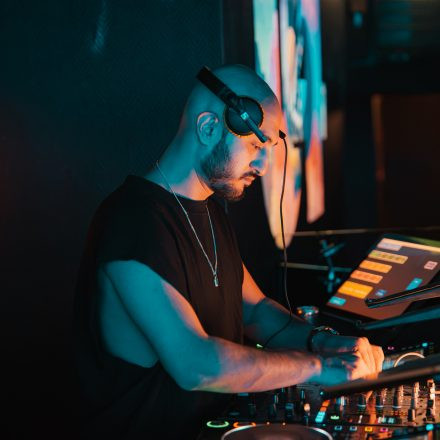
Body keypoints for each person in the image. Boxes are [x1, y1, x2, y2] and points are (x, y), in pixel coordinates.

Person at [74, 64, 384, 439]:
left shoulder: (210, 212)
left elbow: (255, 310)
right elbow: (196, 364)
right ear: (208, 128)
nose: (264, 166)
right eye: (256, 146)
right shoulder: (130, 220)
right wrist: (318, 366)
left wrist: (321, 341)